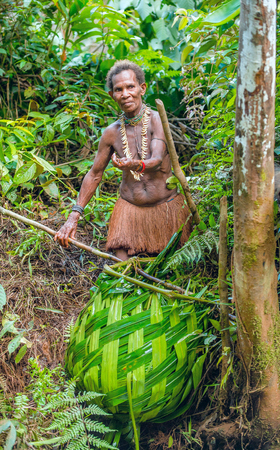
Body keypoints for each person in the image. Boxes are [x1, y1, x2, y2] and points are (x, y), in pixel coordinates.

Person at [54, 60, 192, 260]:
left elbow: (156, 160)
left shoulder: (157, 120)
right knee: (120, 270)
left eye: (130, 87)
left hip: (167, 210)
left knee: (172, 267)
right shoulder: (111, 133)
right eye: (119, 89)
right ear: (112, 95)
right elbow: (94, 174)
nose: (125, 94)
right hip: (130, 213)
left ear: (142, 88)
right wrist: (73, 216)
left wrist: (134, 164)